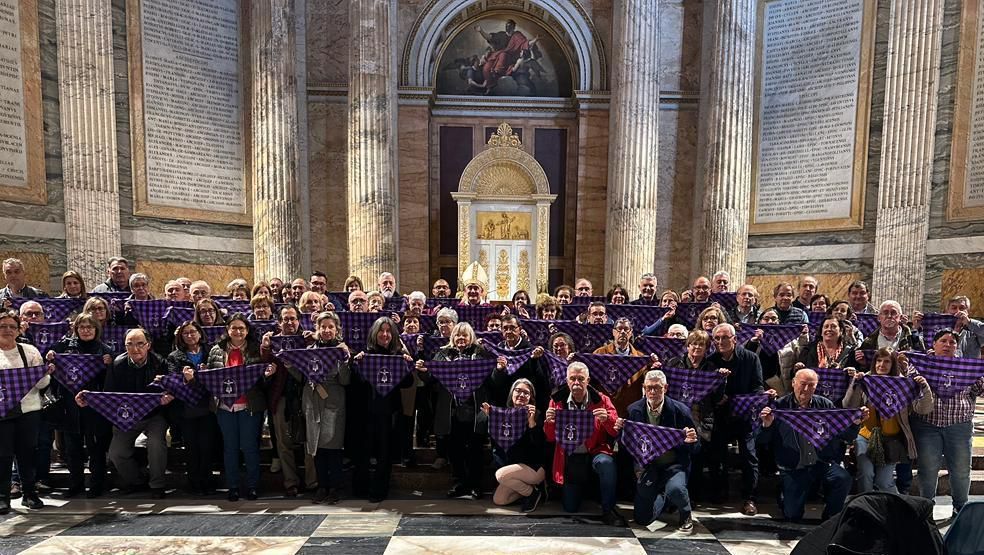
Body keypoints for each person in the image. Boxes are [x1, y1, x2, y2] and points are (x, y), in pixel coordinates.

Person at [758, 368, 867, 522]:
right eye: (803, 384)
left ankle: (831, 516)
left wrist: (855, 423)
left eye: (811, 385)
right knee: (792, 515)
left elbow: (845, 434)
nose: (806, 389)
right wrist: (767, 425)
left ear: (817, 387)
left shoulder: (825, 404)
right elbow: (762, 440)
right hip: (794, 465)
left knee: (843, 478)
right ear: (794, 383)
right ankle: (784, 491)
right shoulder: (779, 406)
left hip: (822, 462)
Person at [79, 328, 172, 498]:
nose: (135, 349)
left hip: (153, 415)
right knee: (116, 452)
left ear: (148, 345)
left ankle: (157, 485)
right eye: (130, 344)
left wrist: (167, 397)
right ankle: (136, 480)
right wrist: (88, 397)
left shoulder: (160, 363)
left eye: (139, 344)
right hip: (127, 415)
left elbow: (170, 390)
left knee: (156, 444)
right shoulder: (116, 365)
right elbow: (109, 394)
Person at [422, 322, 503, 500]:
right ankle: (460, 483)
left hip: (476, 410)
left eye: (464, 335)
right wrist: (422, 371)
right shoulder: (442, 354)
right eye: (457, 335)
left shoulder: (482, 354)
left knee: (475, 449)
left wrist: (499, 370)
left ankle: (475, 485)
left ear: (471, 337)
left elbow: (493, 381)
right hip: (452, 411)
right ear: (452, 337)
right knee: (455, 450)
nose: (460, 338)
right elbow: (430, 378)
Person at [910, 328, 984, 516]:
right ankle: (925, 510)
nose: (948, 345)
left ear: (957, 347)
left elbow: (980, 389)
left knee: (960, 471)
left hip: (959, 425)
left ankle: (960, 509)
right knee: (927, 470)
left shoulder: (965, 367)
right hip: (927, 425)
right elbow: (909, 388)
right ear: (933, 344)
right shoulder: (921, 364)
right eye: (943, 341)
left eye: (952, 342)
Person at [615, 370, 699, 532]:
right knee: (642, 519)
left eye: (657, 388)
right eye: (649, 388)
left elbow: (696, 448)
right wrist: (619, 432)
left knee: (676, 489)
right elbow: (627, 444)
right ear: (643, 388)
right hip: (647, 466)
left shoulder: (680, 411)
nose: (652, 392)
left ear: (665, 388)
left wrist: (691, 442)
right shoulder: (634, 410)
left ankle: (685, 512)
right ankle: (663, 495)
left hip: (673, 465)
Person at [544, 362, 625, 526]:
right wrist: (549, 422)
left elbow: (615, 431)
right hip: (570, 457)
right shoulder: (556, 400)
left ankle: (609, 509)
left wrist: (608, 419)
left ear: (588, 380)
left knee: (606, 464)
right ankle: (584, 493)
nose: (576, 383)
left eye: (580, 379)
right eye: (572, 379)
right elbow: (550, 437)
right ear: (566, 381)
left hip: (595, 451)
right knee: (570, 508)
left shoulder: (602, 400)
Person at [842, 348, 934, 493]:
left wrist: (925, 387)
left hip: (891, 440)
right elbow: (848, 406)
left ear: (893, 365)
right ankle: (865, 507)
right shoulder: (866, 379)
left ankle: (896, 509)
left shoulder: (904, 384)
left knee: (884, 482)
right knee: (866, 474)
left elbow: (923, 409)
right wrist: (855, 384)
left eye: (887, 361)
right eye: (878, 361)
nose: (881, 365)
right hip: (866, 437)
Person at [206, 315, 275, 501]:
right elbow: (210, 378)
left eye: (241, 328)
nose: (238, 332)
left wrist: (268, 375)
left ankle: (253, 486)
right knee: (230, 448)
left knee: (250, 447)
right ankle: (233, 487)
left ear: (247, 330)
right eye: (234, 328)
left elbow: (262, 382)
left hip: (249, 406)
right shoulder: (216, 350)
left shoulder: (255, 350)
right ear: (227, 330)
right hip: (224, 407)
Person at [46, 313, 113, 498]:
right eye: (82, 327)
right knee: (72, 448)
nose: (86, 330)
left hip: (95, 406)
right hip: (70, 406)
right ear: (76, 329)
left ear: (96, 329)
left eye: (89, 327)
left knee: (95, 449)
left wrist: (108, 364)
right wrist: (50, 355)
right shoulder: (64, 347)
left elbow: (110, 380)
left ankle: (96, 485)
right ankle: (75, 484)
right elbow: (50, 359)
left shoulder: (104, 350)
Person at [350, 317, 415, 502]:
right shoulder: (365, 354)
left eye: (388, 331)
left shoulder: (397, 355)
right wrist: (357, 365)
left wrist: (407, 365)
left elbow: (408, 383)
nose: (385, 334)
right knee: (364, 451)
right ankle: (360, 488)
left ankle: (380, 490)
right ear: (374, 333)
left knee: (385, 454)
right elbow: (357, 384)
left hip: (389, 412)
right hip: (367, 412)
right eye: (381, 330)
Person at [706, 323, 764, 515]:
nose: (721, 342)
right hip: (720, 416)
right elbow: (707, 391)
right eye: (717, 338)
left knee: (749, 455)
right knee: (716, 455)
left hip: (745, 414)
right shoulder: (711, 361)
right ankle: (719, 493)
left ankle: (750, 498)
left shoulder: (750, 358)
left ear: (735, 339)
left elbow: (757, 387)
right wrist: (717, 398)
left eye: (725, 337)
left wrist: (743, 401)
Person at [260, 305, 317, 496]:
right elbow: (262, 367)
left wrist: (313, 342)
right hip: (281, 396)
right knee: (283, 442)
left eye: (293, 318)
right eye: (286, 319)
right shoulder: (272, 341)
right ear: (279, 322)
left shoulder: (308, 339)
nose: (290, 322)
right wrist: (266, 347)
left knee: (310, 440)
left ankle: (312, 481)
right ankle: (290, 481)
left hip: (306, 396)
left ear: (299, 320)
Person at [0, 309, 50, 513]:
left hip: (28, 410)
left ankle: (29, 493)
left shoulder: (29, 351)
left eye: (12, 326)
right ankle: (2, 497)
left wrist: (43, 373)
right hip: (2, 412)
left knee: (27, 453)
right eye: (3, 326)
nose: (8, 330)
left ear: (19, 329)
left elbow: (43, 384)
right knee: (2, 455)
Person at [301, 312, 351, 504]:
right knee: (317, 447)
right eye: (323, 327)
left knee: (333, 446)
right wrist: (290, 365)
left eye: (331, 327)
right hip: (312, 401)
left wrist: (344, 360)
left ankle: (335, 488)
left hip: (333, 402)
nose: (327, 330)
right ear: (317, 329)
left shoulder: (340, 350)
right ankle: (322, 487)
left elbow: (345, 381)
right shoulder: (309, 350)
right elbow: (300, 377)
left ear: (337, 329)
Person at [665, 330, 722, 499]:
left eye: (701, 344)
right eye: (694, 343)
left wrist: (721, 381)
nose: (697, 347)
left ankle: (692, 496)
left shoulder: (711, 368)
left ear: (707, 348)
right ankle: (673, 495)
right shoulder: (674, 364)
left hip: (701, 419)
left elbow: (717, 399)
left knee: (696, 460)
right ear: (687, 346)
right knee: (676, 459)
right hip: (676, 418)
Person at [165, 321, 218, 496]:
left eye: (193, 332)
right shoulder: (175, 356)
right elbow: (173, 380)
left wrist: (206, 371)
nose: (190, 335)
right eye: (185, 333)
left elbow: (218, 373)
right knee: (192, 447)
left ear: (200, 333)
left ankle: (207, 481)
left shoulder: (211, 352)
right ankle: (194, 482)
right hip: (187, 409)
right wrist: (186, 378)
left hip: (207, 406)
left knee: (207, 445)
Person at [482, 378, 546, 512]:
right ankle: (532, 491)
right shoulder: (504, 416)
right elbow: (497, 446)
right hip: (514, 470)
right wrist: (491, 420)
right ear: (512, 394)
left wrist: (532, 423)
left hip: (534, 467)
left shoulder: (537, 415)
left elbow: (539, 448)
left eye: (526, 393)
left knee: (501, 475)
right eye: (518, 391)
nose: (522, 395)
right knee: (499, 500)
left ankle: (532, 493)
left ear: (531, 397)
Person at [779, 316, 854, 396]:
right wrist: (797, 368)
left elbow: (855, 376)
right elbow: (794, 375)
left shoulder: (849, 351)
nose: (829, 329)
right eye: (826, 327)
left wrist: (853, 372)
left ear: (841, 331)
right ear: (821, 332)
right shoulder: (809, 349)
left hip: (841, 396)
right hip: (811, 396)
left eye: (833, 326)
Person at [912, 295, 984, 359]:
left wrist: (969, 322)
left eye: (962, 308)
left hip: (967, 371)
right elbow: (918, 348)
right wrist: (916, 328)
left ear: (968, 312)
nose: (958, 311)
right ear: (947, 311)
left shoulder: (974, 331)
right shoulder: (936, 329)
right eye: (954, 308)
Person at [857, 300, 925, 363]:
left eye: (893, 313)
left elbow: (921, 361)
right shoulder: (868, 341)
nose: (889, 316)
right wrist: (863, 363)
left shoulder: (912, 338)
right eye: (885, 313)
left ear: (900, 317)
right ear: (879, 318)